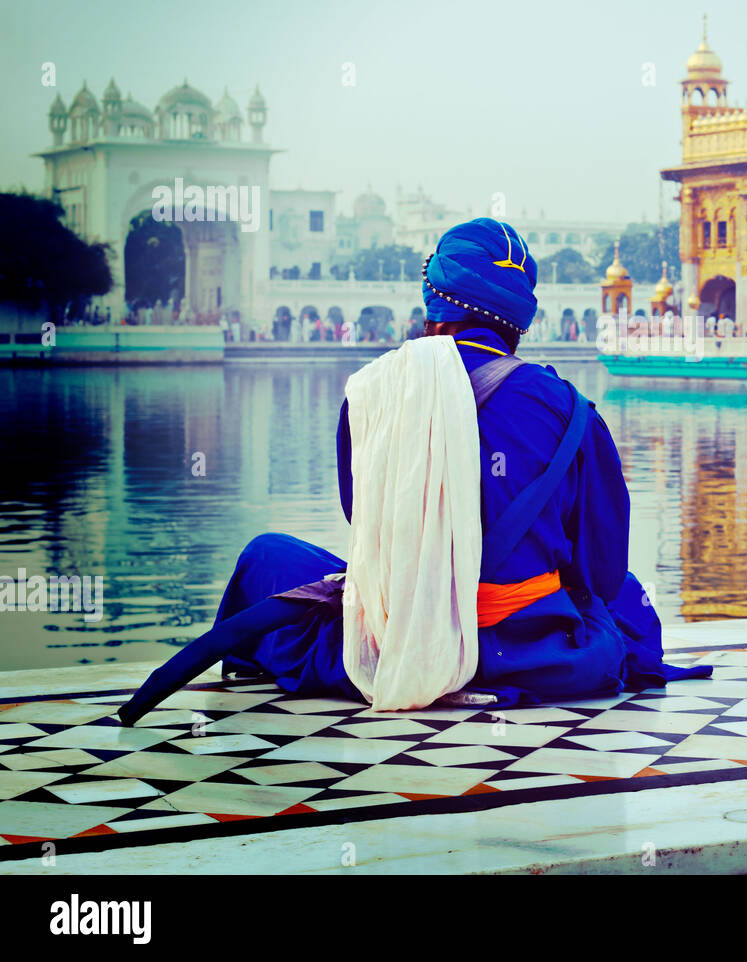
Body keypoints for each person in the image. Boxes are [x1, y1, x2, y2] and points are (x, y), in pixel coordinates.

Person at [120, 218, 709, 723]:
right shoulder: (571, 410)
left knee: (268, 556)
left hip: (397, 635)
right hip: (532, 649)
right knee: (626, 594)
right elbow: (601, 572)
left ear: (434, 303)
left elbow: (367, 527)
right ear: (519, 317)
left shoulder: (373, 391)